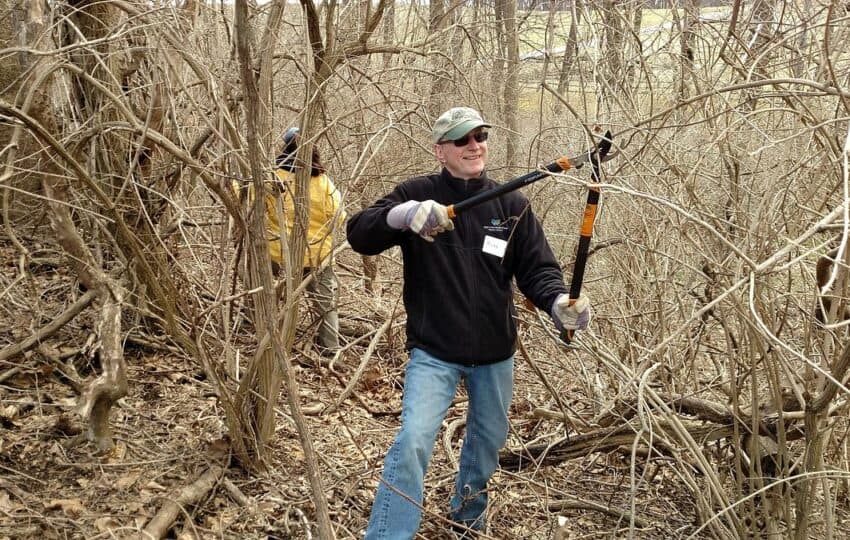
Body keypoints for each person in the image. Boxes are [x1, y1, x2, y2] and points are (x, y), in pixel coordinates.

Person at [346, 107, 591, 539]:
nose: (475, 145)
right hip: (433, 352)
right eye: (462, 139)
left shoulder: (511, 203)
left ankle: (466, 517)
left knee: (486, 445)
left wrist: (558, 303)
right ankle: (387, 534)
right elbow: (360, 233)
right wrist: (403, 215)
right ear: (440, 150)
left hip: (495, 354)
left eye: (480, 136)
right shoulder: (417, 193)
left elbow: (538, 269)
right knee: (414, 442)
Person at [270, 127, 346, 353]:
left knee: (265, 291)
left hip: (276, 250)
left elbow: (246, 197)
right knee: (325, 303)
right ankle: (331, 349)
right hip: (316, 254)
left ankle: (263, 334)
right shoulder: (324, 183)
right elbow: (338, 216)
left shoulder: (274, 178)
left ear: (286, 148)